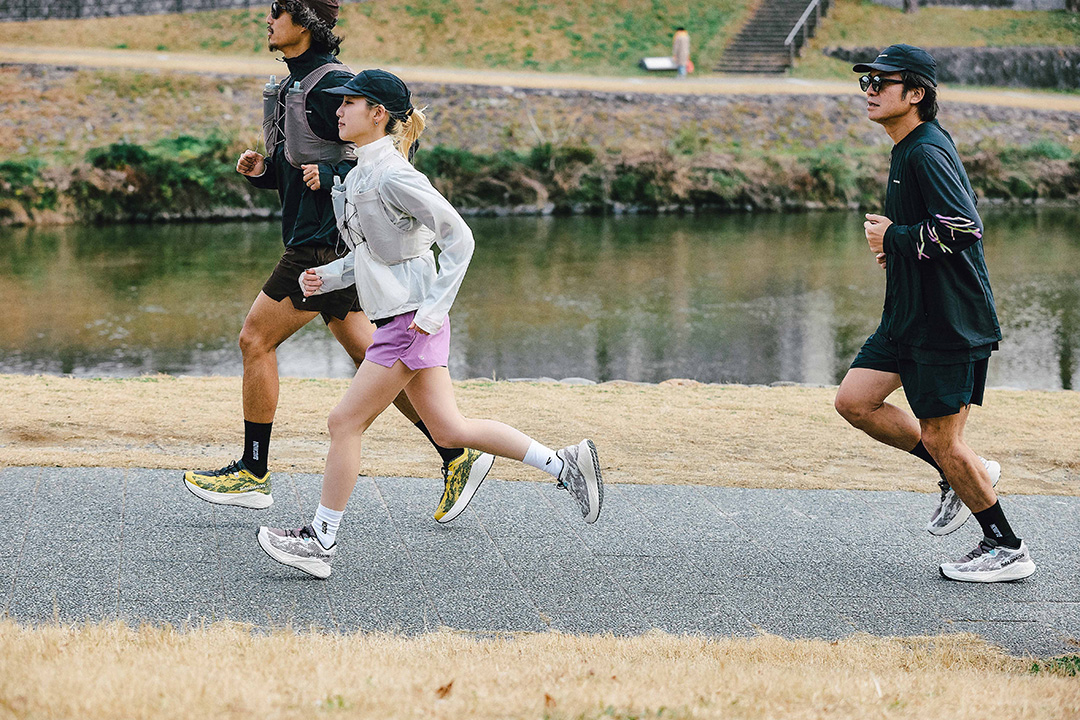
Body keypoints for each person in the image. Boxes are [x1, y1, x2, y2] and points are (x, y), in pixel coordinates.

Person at [255, 69, 604, 578]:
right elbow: (375, 254)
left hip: (408, 324)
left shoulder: (396, 175)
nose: (339, 110)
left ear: (378, 115)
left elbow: (460, 238)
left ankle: (322, 539)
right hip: (407, 319)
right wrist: (326, 277)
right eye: (340, 103)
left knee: (344, 422)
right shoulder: (358, 176)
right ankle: (566, 465)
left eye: (351, 102)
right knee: (449, 427)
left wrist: (432, 312)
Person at [182, 0, 494, 525]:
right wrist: (265, 172)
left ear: (303, 24)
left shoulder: (332, 87)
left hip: (324, 246)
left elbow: (386, 156)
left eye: (278, 12)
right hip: (328, 246)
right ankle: (456, 452)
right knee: (377, 362)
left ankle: (253, 474)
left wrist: (333, 180)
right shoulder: (293, 86)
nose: (268, 20)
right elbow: (306, 168)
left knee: (255, 338)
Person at [834, 44, 1035, 583]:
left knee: (946, 440)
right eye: (866, 83)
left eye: (882, 82)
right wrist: (894, 247)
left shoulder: (924, 151)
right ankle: (959, 472)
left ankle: (1006, 547)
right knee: (855, 401)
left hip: (947, 322)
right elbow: (934, 232)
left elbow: (964, 226)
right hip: (907, 316)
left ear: (916, 93)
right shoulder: (905, 147)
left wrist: (894, 236)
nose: (870, 90)